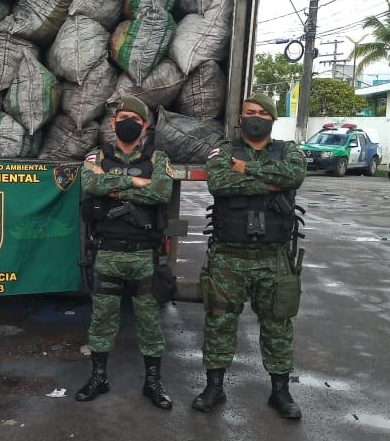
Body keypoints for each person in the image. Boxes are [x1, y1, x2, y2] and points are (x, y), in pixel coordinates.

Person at [192, 92, 307, 420]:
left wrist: (247, 171)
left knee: (278, 324)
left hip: (273, 257)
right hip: (229, 256)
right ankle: (214, 387)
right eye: (248, 112)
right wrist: (270, 180)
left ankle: (281, 392)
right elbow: (220, 183)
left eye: (261, 112)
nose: (254, 117)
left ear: (272, 119)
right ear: (239, 118)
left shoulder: (290, 152)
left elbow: (294, 177)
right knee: (219, 321)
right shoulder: (223, 152)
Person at [75, 95, 175, 410]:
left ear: (145, 124)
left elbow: (161, 191)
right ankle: (98, 377)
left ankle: (153, 383)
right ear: (113, 123)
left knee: (149, 321)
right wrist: (137, 182)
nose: (126, 121)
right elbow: (90, 184)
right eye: (121, 117)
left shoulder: (158, 158)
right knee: (102, 319)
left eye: (134, 117)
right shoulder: (96, 155)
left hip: (144, 255)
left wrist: (115, 182)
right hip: (108, 252)